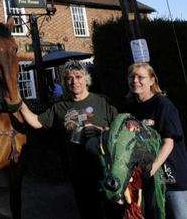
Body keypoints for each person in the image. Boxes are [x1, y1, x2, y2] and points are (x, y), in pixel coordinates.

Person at [17, 60, 119, 219]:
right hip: (79, 170)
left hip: (106, 168)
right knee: (88, 211)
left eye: (78, 77)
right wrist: (20, 104)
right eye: (69, 78)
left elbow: (119, 130)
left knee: (113, 210)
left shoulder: (103, 101)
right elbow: (37, 122)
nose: (74, 81)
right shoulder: (60, 107)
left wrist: (102, 130)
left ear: (86, 79)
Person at [126, 62, 187, 219]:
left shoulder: (163, 105)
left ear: (152, 80)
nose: (135, 81)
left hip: (171, 176)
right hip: (148, 179)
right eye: (132, 77)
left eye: (141, 77)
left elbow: (169, 142)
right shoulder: (131, 108)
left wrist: (152, 168)